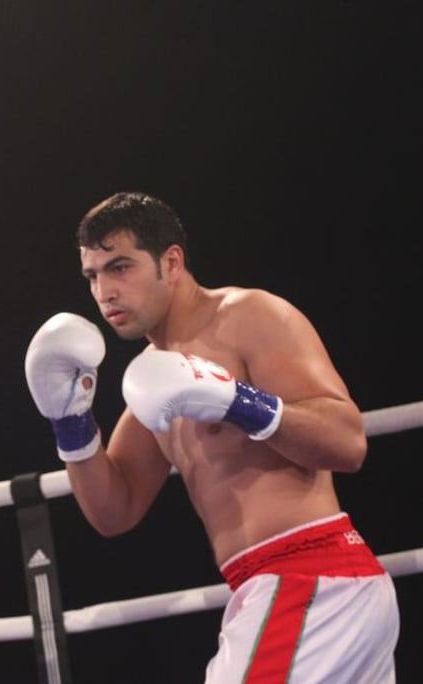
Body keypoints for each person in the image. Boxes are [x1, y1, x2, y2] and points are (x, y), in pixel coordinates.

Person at [24, 191, 398, 683]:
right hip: (271, 590)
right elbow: (114, 510)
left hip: (311, 581)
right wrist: (69, 422)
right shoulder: (151, 379)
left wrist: (240, 402)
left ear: (171, 261)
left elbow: (348, 443)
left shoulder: (249, 316)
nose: (104, 292)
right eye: (93, 276)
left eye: (120, 268)